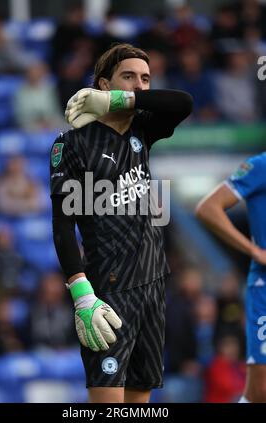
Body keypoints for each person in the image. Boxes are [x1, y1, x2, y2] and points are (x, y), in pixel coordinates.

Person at [50, 43, 193, 403]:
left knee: (141, 399)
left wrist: (122, 101)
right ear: (102, 85)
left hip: (153, 284)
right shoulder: (72, 143)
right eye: (128, 77)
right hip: (108, 290)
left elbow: (182, 103)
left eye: (145, 79)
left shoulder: (144, 127)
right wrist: (81, 293)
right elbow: (63, 224)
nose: (139, 86)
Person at [195, 152, 266, 403]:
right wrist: (253, 250)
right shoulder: (260, 166)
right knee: (261, 390)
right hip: (264, 288)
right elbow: (208, 208)